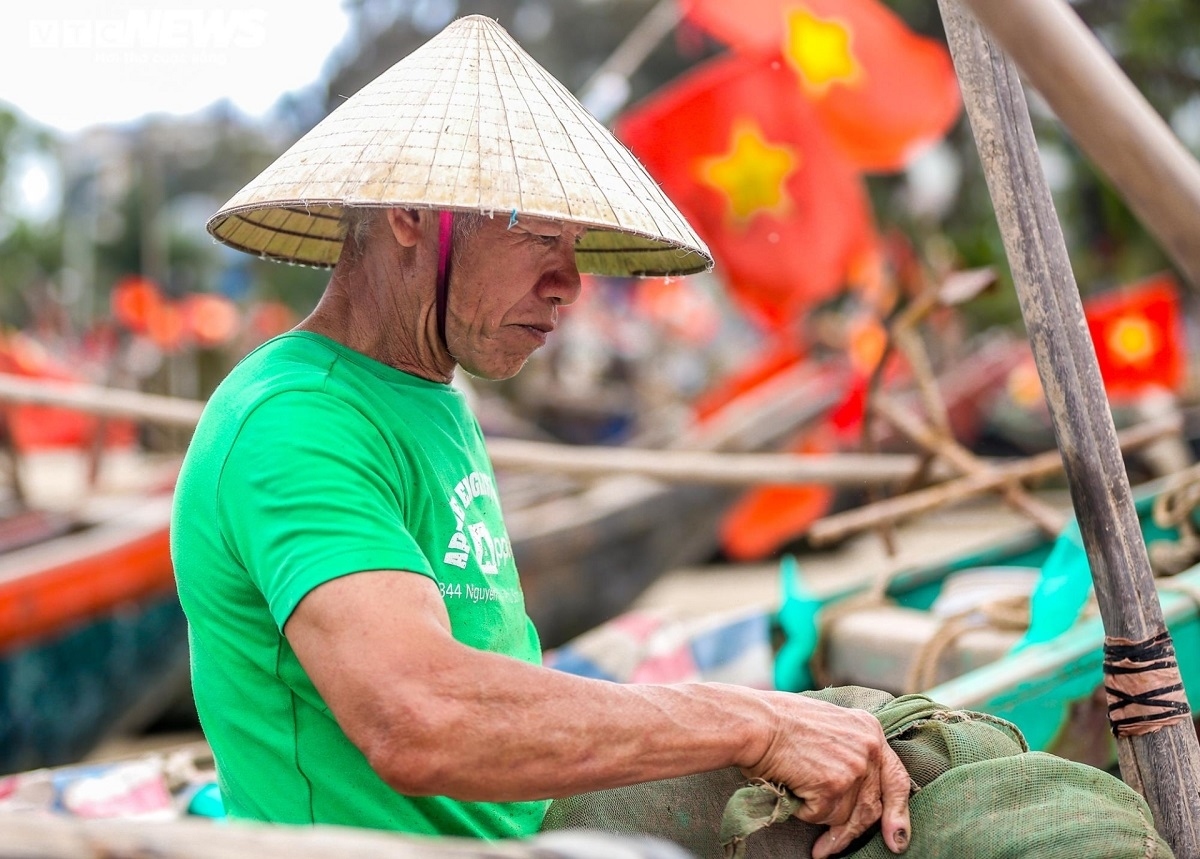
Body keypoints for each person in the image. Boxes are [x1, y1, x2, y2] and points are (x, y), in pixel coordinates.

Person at [172, 15, 910, 859]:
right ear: (413, 209)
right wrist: (748, 718)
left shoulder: (431, 392)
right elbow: (420, 716)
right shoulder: (295, 420)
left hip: (532, 823)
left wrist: (769, 722)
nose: (569, 283)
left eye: (575, 242)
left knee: (896, 743)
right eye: (538, 233)